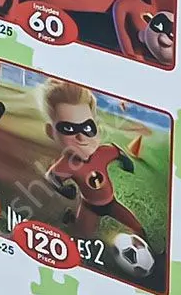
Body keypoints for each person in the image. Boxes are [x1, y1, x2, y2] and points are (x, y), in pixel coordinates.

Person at [42, 80, 143, 237]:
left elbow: (117, 152)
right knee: (82, 235)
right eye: (69, 128)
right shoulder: (67, 164)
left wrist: (126, 162)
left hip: (111, 203)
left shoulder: (103, 152)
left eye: (87, 128)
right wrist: (63, 189)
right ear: (51, 132)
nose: (81, 137)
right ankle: (70, 218)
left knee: (138, 228)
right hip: (89, 207)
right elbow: (52, 177)